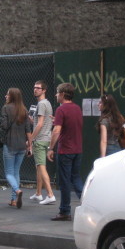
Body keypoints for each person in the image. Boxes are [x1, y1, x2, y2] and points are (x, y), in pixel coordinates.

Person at [47, 83, 83, 221]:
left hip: (65, 150)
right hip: (77, 149)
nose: (56, 95)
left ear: (62, 94)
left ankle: (65, 211)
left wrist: (50, 148)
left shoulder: (61, 110)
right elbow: (72, 125)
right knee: (76, 178)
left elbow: (56, 131)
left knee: (65, 182)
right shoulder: (77, 108)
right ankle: (88, 204)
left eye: (57, 92)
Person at [1, 88, 32, 209]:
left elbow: (4, 126)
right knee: (16, 172)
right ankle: (14, 199)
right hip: (22, 146)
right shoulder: (24, 110)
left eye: (8, 94)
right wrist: (30, 146)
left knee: (9, 173)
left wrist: (4, 125)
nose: (6, 96)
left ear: (12, 96)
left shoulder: (6, 108)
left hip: (10, 144)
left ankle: (17, 191)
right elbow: (28, 130)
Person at [29, 80, 56, 205]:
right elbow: (40, 122)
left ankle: (50, 194)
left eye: (38, 88)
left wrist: (30, 139)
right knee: (38, 166)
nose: (35, 89)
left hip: (40, 139)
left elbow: (39, 125)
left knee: (41, 167)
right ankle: (38, 193)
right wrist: (31, 119)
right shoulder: (47, 103)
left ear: (44, 90)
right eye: (34, 87)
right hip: (46, 138)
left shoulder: (41, 104)